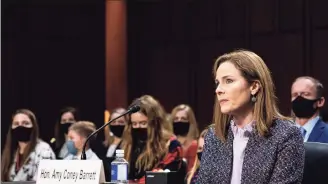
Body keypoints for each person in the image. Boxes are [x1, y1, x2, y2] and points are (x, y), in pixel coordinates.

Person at [197, 50, 305, 184]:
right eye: (217, 82)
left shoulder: (285, 135)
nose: (218, 89)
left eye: (228, 81)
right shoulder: (214, 136)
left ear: (254, 87)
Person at [122, 95, 183, 184]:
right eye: (134, 124)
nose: (138, 127)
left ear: (155, 123)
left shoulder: (171, 145)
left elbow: (166, 178)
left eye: (143, 123)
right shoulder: (129, 144)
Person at [1, 109, 56, 181]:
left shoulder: (44, 150)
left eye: (25, 123)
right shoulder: (12, 152)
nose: (20, 127)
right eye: (16, 124)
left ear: (34, 127)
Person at [291, 76, 328, 143]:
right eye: (295, 95)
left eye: (305, 94)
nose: (299, 98)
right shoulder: (281, 133)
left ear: (320, 102)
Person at [171, 104, 199, 172]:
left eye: (183, 119)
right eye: (176, 119)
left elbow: (191, 171)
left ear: (190, 122)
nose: (179, 121)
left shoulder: (194, 145)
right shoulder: (169, 142)